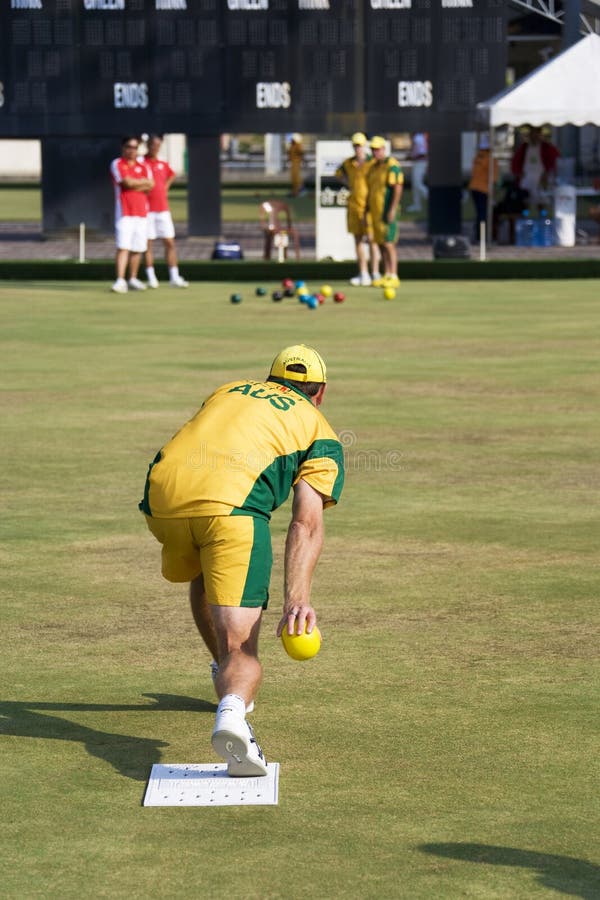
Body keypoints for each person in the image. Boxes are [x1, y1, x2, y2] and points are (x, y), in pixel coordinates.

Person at [139, 345, 344, 777]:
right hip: (232, 512)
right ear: (320, 392)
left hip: (160, 500)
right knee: (242, 649)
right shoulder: (319, 429)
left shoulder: (228, 390)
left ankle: (225, 674)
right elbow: (305, 523)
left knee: (204, 566)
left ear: (269, 379)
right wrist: (296, 600)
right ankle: (233, 713)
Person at [141, 134, 188, 289]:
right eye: (153, 145)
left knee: (170, 242)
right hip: (147, 211)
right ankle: (151, 277)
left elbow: (172, 174)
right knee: (148, 244)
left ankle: (174, 276)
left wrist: (166, 187)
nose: (155, 148)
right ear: (148, 145)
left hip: (163, 210)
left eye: (158, 145)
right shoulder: (141, 163)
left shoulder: (162, 163)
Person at [335, 132, 381, 287]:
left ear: (364, 146)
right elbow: (339, 174)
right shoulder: (348, 163)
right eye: (355, 145)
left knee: (373, 241)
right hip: (354, 206)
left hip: (369, 206)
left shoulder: (372, 162)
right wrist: (349, 183)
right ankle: (363, 273)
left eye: (360, 145)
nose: (357, 149)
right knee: (358, 240)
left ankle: (375, 272)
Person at [109, 135, 154, 294]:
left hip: (142, 212)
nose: (132, 150)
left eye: (135, 147)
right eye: (129, 147)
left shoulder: (144, 166)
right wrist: (139, 183)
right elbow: (126, 183)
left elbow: (151, 185)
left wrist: (136, 184)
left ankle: (132, 278)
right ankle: (120, 280)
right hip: (125, 212)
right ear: (123, 148)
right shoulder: (117, 163)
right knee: (123, 247)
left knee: (138, 247)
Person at [365, 136, 403, 288]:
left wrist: (392, 209)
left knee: (389, 243)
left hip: (387, 211)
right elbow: (371, 190)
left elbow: (398, 188)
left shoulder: (391, 165)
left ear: (384, 149)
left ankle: (394, 274)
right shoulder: (373, 167)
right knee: (380, 243)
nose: (375, 152)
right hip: (375, 212)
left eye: (377, 149)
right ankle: (386, 274)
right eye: (373, 149)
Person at [511, 126, 559, 212]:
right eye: (532, 134)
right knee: (525, 200)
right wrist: (518, 173)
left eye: (536, 134)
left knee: (541, 200)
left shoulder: (546, 147)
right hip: (526, 178)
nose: (534, 136)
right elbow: (515, 161)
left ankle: (543, 218)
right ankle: (525, 217)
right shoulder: (524, 147)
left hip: (540, 179)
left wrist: (547, 174)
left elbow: (556, 159)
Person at [468, 133, 499, 243]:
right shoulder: (491, 159)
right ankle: (483, 237)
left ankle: (478, 235)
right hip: (484, 189)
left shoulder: (478, 157)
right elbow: (493, 179)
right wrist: (494, 193)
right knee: (484, 214)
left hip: (474, 188)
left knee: (480, 213)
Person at [406, 132, 428, 214]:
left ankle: (432, 198)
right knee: (415, 185)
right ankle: (417, 205)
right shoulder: (417, 137)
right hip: (417, 162)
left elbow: (423, 153)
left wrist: (412, 157)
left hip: (420, 163)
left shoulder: (418, 137)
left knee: (418, 184)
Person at [287, 133, 304, 197]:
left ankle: (298, 191)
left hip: (296, 163)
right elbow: (289, 154)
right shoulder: (292, 145)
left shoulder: (298, 145)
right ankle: (294, 191)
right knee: (293, 177)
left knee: (297, 177)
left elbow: (301, 152)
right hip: (293, 163)